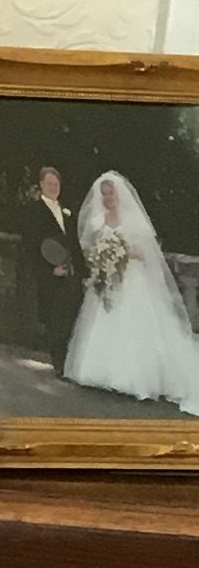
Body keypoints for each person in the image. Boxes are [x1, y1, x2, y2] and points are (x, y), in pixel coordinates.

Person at [63, 169, 199, 413]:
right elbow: (90, 249)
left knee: (135, 325)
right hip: (108, 281)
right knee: (104, 321)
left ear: (118, 193)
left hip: (133, 280)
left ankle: (137, 376)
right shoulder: (97, 220)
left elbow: (147, 254)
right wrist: (102, 260)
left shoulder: (134, 220)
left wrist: (123, 252)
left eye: (110, 193)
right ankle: (100, 372)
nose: (107, 198)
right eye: (103, 194)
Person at [14, 162, 82, 371]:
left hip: (70, 276)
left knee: (71, 320)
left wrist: (81, 271)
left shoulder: (66, 211)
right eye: (49, 183)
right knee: (56, 324)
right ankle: (60, 365)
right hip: (51, 278)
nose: (53, 187)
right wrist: (49, 270)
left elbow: (74, 245)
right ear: (42, 185)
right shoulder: (34, 212)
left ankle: (70, 363)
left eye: (56, 183)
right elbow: (31, 246)